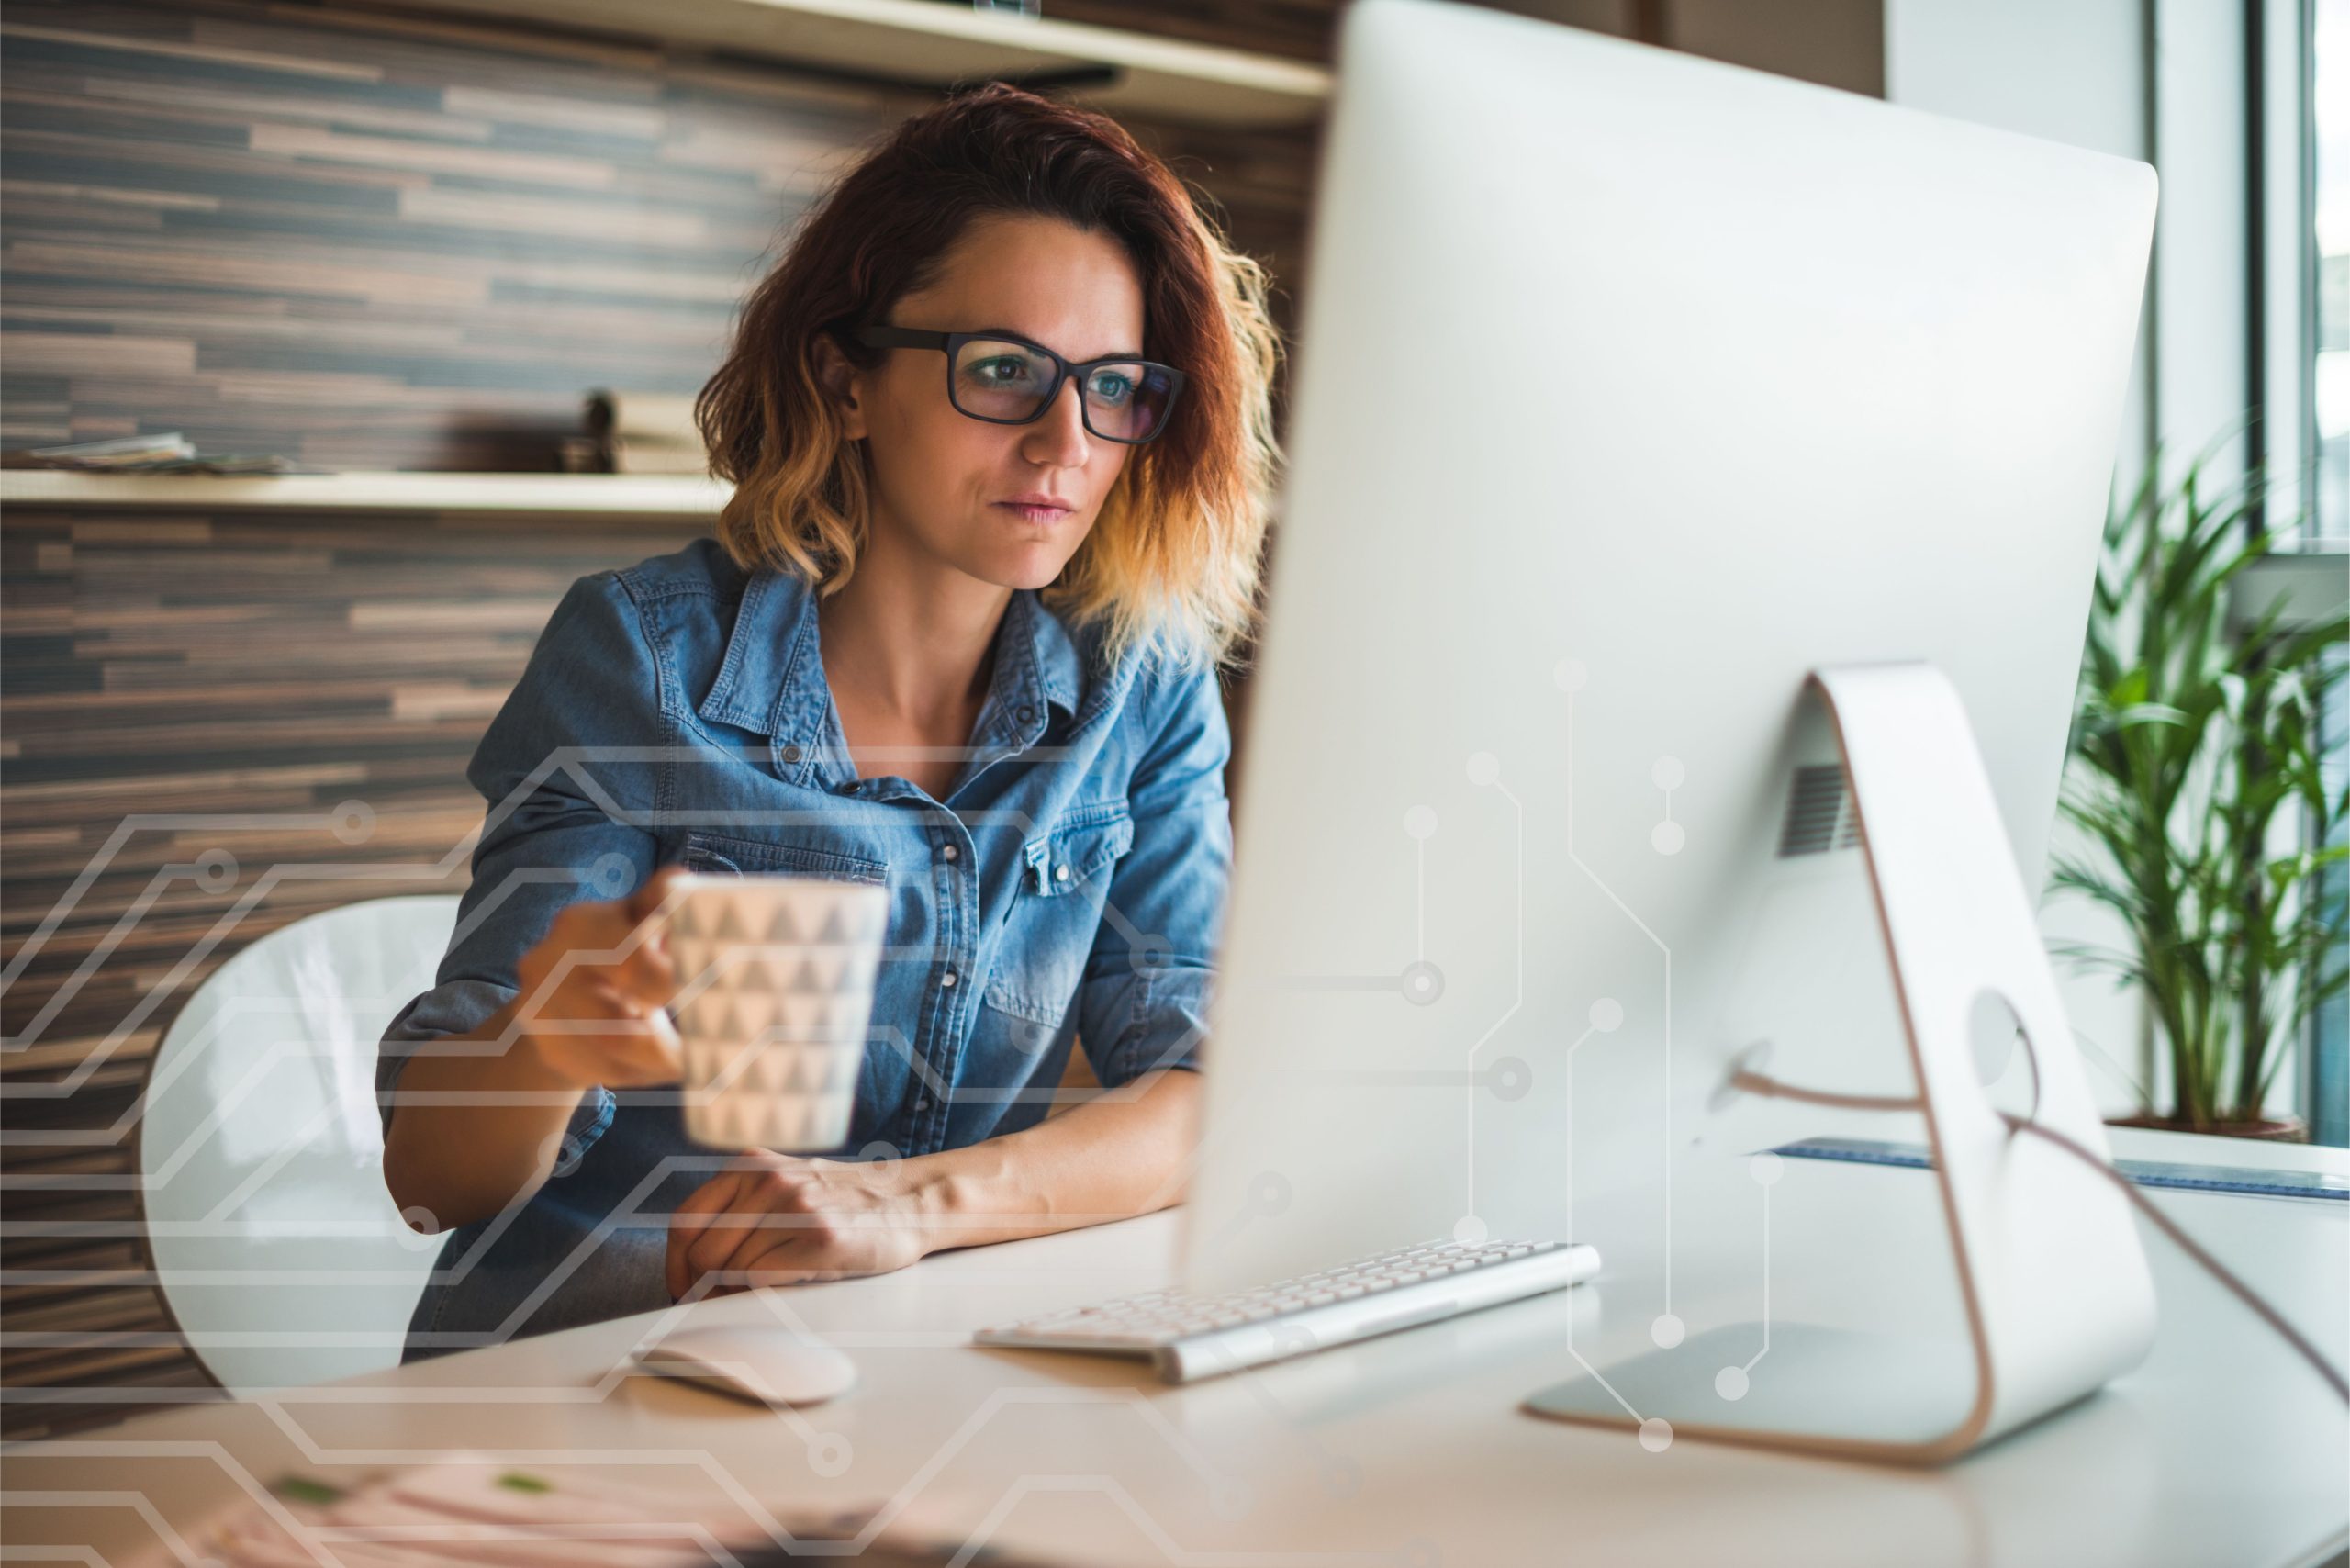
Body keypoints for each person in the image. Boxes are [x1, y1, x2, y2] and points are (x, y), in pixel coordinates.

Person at [375, 83, 1281, 1358]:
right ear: (843, 380)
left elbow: (1202, 1097)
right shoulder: (643, 659)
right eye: (1005, 372)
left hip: (901, 1375)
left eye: (1116, 387)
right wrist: (540, 1042)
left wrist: (903, 1206)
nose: (1065, 443)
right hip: (595, 1382)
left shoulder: (1142, 677)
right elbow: (431, 1183)